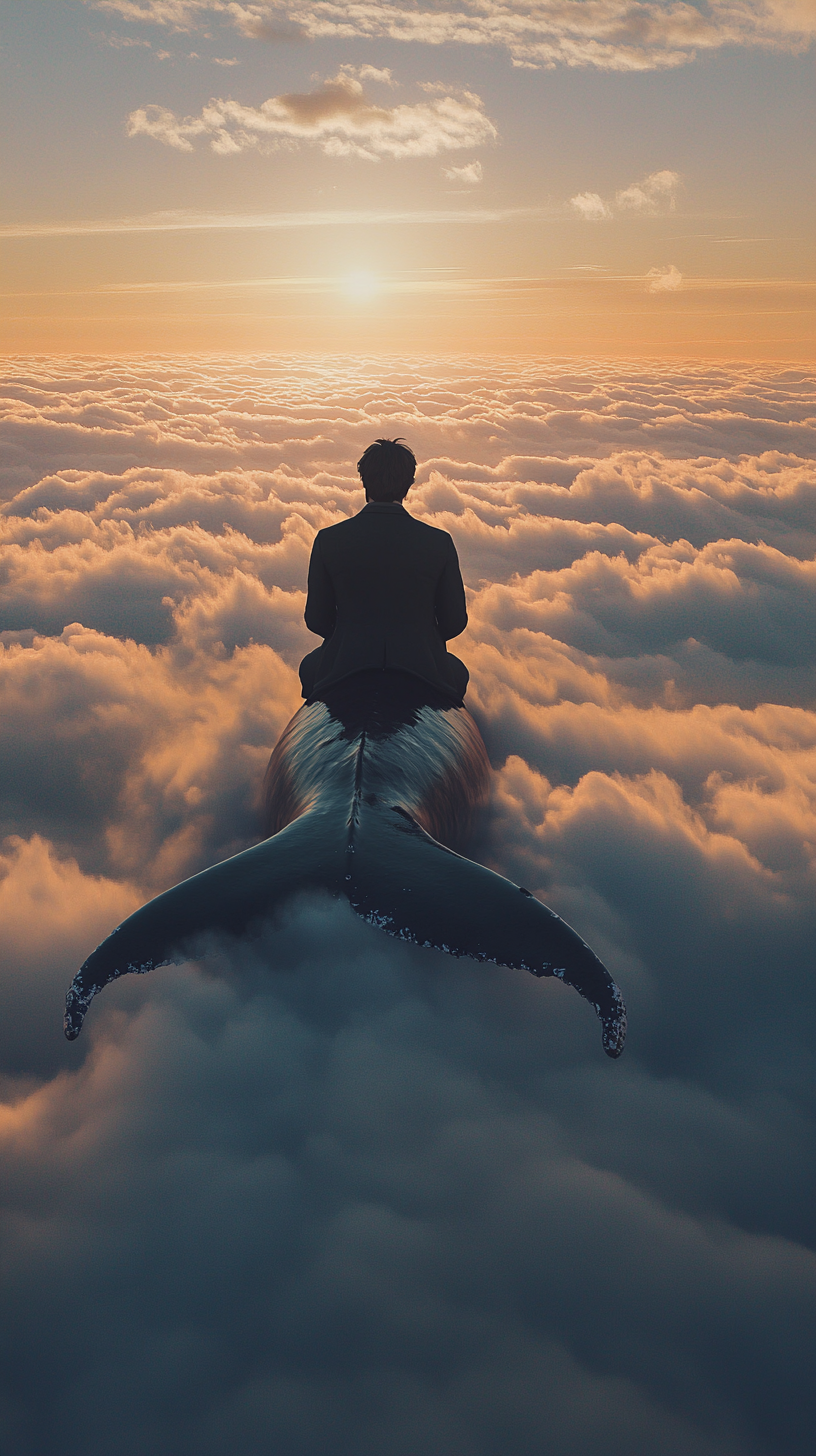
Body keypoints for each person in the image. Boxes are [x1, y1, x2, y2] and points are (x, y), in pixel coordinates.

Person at [298, 438, 469, 703]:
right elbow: (454, 622)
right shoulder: (438, 542)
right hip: (423, 668)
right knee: (458, 673)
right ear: (409, 484)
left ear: (363, 481)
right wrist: (418, 638)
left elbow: (316, 620)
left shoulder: (329, 540)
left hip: (343, 666)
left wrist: (351, 636)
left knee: (309, 668)